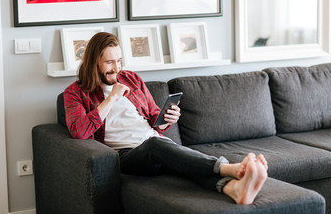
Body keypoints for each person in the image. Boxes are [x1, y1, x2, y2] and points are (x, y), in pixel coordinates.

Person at [64, 32, 268, 205]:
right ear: (94, 62)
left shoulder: (131, 79)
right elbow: (79, 131)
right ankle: (228, 168)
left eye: (119, 60)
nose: (117, 69)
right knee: (156, 145)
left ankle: (233, 189)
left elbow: (154, 118)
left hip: (156, 143)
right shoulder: (75, 93)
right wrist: (112, 97)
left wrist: (168, 118)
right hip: (126, 155)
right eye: (109, 62)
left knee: (180, 163)